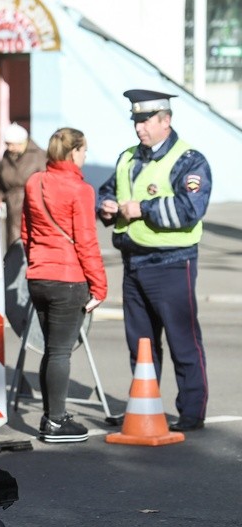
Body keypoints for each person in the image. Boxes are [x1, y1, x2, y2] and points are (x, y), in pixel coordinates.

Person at [97, 89, 212, 433]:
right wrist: (104, 207)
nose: (139, 129)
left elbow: (190, 209)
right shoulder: (128, 157)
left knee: (183, 341)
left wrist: (142, 209)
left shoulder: (188, 160)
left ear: (166, 120)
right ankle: (144, 408)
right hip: (133, 262)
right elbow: (106, 190)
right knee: (141, 345)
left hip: (172, 262)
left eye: (146, 121)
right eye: (136, 121)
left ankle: (191, 412)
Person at [22, 128, 108, 443]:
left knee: (50, 351)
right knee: (60, 352)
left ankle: (53, 417)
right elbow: (86, 242)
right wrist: (100, 286)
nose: (85, 157)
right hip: (67, 279)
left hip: (38, 276)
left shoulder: (35, 182)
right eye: (84, 151)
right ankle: (56, 422)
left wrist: (38, 263)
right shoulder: (80, 190)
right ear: (73, 153)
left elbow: (26, 233)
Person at [0, 122, 47, 250]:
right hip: (11, 202)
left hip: (32, 201)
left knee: (29, 236)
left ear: (22, 142)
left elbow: (45, 180)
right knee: (12, 237)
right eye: (7, 144)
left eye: (12, 144)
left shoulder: (38, 155)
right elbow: (0, 177)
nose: (9, 148)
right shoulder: (7, 156)